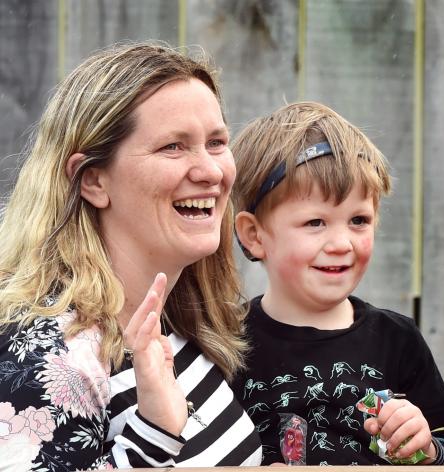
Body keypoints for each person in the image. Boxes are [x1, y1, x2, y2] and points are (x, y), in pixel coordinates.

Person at [0, 42, 262, 469]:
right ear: (93, 181)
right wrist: (154, 434)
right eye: (173, 147)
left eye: (216, 142)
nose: (211, 171)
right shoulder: (50, 363)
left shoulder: (177, 322)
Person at [230, 101, 444, 466]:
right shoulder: (227, 343)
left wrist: (425, 447)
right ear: (254, 235)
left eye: (358, 220)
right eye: (315, 223)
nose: (342, 243)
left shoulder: (397, 340)